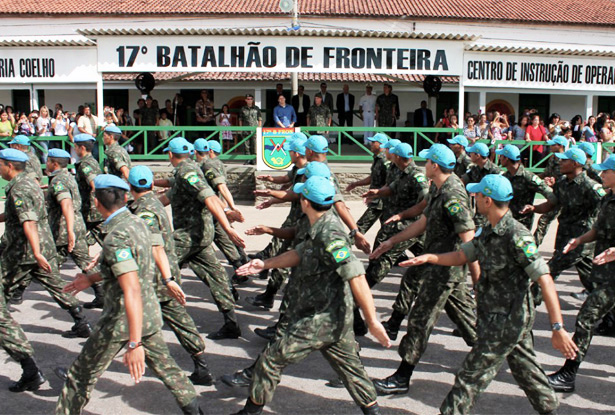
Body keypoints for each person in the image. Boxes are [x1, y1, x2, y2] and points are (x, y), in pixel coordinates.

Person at [407, 174, 577, 415]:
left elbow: (545, 279)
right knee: (526, 369)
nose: (473, 197)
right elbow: (462, 255)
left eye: (477, 194)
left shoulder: (517, 235)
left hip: (508, 319)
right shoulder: (488, 230)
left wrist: (557, 327)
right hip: (496, 316)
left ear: (487, 200)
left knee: (470, 376)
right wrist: (431, 257)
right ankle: (550, 410)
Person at [232, 175, 390, 415]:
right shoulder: (318, 224)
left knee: (270, 361)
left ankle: (249, 413)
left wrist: (372, 321)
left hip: (321, 317)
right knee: (351, 370)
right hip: (335, 315)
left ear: (305, 201)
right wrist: (264, 264)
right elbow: (300, 252)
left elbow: (356, 275)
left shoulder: (330, 233)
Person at [55, 174, 203, 415]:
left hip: (120, 322)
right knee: (171, 372)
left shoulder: (116, 237)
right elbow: (141, 260)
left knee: (80, 376)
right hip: (148, 315)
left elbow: (131, 287)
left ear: (96, 202)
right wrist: (91, 278)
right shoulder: (138, 223)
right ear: (125, 197)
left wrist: (135, 343)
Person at [370, 143, 478, 396]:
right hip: (436, 266)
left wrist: (479, 281)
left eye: (428, 161)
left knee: (419, 321)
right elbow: (423, 222)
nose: (425, 164)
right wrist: (391, 241)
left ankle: (402, 377)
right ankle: (501, 350)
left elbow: (470, 241)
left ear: (435, 166)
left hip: (445, 271)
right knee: (469, 326)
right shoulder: (439, 189)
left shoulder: (453, 195)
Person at [126, 165, 213, 386]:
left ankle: (84, 372)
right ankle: (201, 364)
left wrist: (166, 279)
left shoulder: (144, 211)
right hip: (165, 274)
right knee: (179, 320)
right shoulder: (153, 202)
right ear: (152, 184)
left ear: (130, 186)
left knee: (118, 322)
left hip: (153, 277)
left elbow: (154, 245)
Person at [159, 137, 245, 340]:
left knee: (156, 269)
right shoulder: (189, 169)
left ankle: (142, 321)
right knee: (217, 279)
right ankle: (231, 323)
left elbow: (208, 196)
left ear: (170, 154)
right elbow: (168, 197)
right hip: (200, 236)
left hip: (188, 236)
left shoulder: (187, 171)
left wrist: (227, 226)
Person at [0, 148, 92, 337]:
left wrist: (36, 252)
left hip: (24, 250)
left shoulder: (20, 189)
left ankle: (7, 331)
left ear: (9, 166)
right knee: (56, 285)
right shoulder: (31, 183)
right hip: (42, 245)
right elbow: (18, 215)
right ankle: (81, 322)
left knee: (4, 284)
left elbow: (29, 222)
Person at [548, 155, 615, 392]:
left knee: (585, 319)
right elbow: (598, 229)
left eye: (606, 171)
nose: (602, 175)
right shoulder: (609, 198)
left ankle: (568, 374)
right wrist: (580, 240)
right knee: (587, 318)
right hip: (606, 274)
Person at [521, 148, 604, 304]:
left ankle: (528, 304)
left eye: (564, 160)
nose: (560, 162)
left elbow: (607, 207)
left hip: (581, 239)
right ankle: (607, 309)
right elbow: (552, 205)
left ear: (575, 164)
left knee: (550, 270)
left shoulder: (590, 187)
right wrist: (534, 208)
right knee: (588, 275)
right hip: (564, 235)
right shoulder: (562, 182)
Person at [45, 148, 93, 280]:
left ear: (54, 163)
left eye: (48, 161)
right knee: (84, 262)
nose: (46, 163)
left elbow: (66, 203)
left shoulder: (58, 181)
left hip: (64, 228)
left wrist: (70, 230)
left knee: (47, 264)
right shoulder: (67, 176)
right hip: (75, 224)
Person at [73, 133, 105, 307]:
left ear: (81, 148)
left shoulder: (86, 164)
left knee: (76, 247)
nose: (75, 149)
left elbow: (94, 183)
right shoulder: (89, 162)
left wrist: (96, 202)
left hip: (90, 215)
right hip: (91, 214)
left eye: (76, 146)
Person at [497, 144, 556, 231]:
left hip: (522, 225)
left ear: (507, 158)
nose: (499, 158)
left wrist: (535, 208)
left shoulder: (528, 177)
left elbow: (551, 197)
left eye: (501, 156)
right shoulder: (505, 177)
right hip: (506, 223)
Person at [346, 133, 390, 234]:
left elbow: (390, 181)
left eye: (373, 142)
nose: (371, 144)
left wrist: (376, 194)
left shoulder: (384, 160)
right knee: (387, 230)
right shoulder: (377, 158)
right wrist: (356, 184)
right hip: (379, 200)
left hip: (380, 201)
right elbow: (372, 177)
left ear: (381, 144)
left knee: (361, 226)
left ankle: (344, 246)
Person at [462, 142, 502, 228]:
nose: (469, 155)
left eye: (471, 153)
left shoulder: (494, 171)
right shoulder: (474, 169)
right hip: (480, 211)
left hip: (492, 211)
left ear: (477, 156)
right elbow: (463, 180)